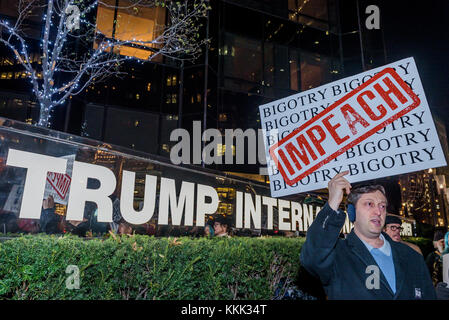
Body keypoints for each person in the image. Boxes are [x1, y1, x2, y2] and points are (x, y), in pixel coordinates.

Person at [300, 171, 436, 299]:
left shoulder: (412, 257)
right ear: (352, 212)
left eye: (382, 206)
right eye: (369, 204)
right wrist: (333, 203)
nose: (378, 211)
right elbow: (312, 257)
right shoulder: (337, 255)